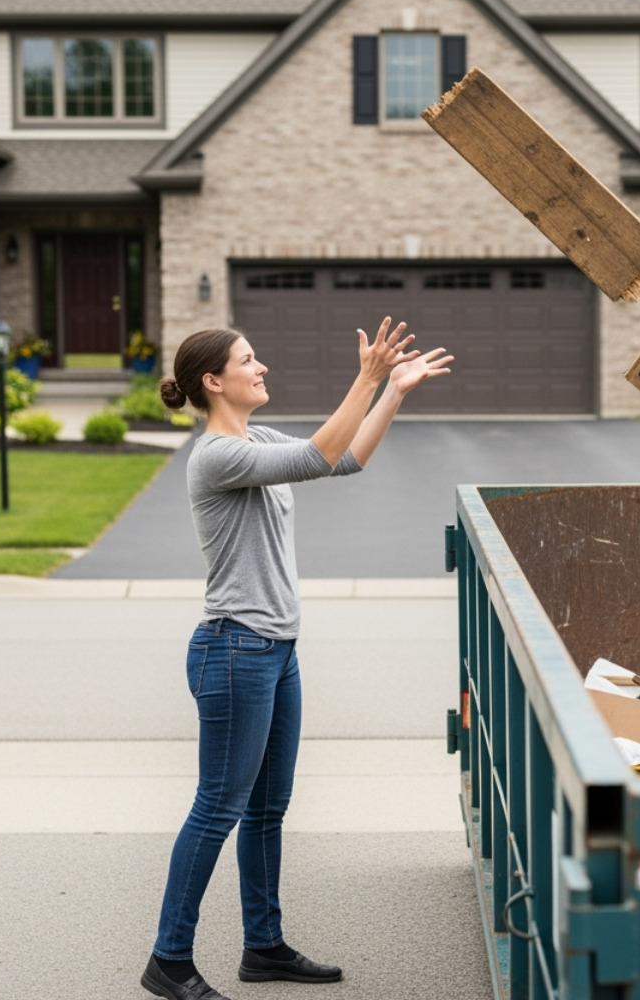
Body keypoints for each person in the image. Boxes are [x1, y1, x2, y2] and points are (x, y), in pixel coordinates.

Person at [142, 318, 453, 1000]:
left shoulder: (256, 441)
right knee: (218, 807)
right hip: (233, 651)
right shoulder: (216, 456)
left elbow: (343, 459)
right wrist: (365, 378)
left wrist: (392, 391)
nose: (263, 369)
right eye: (249, 360)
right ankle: (169, 959)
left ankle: (263, 946)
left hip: (275, 652)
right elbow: (318, 454)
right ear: (212, 381)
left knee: (266, 808)